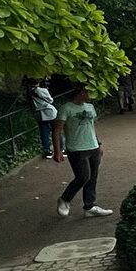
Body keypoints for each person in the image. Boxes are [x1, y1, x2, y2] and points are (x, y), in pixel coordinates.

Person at [52, 88, 112, 217]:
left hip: (93, 147)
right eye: (90, 92)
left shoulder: (90, 107)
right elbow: (57, 129)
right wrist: (57, 150)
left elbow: (91, 126)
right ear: (82, 92)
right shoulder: (66, 108)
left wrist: (99, 143)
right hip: (77, 149)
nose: (93, 96)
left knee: (92, 178)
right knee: (83, 177)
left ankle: (89, 206)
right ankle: (65, 199)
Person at [29, 79, 57, 159]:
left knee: (44, 133)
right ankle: (60, 148)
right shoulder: (42, 90)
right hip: (50, 113)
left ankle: (47, 150)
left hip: (39, 115)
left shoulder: (29, 93)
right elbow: (50, 100)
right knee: (56, 130)